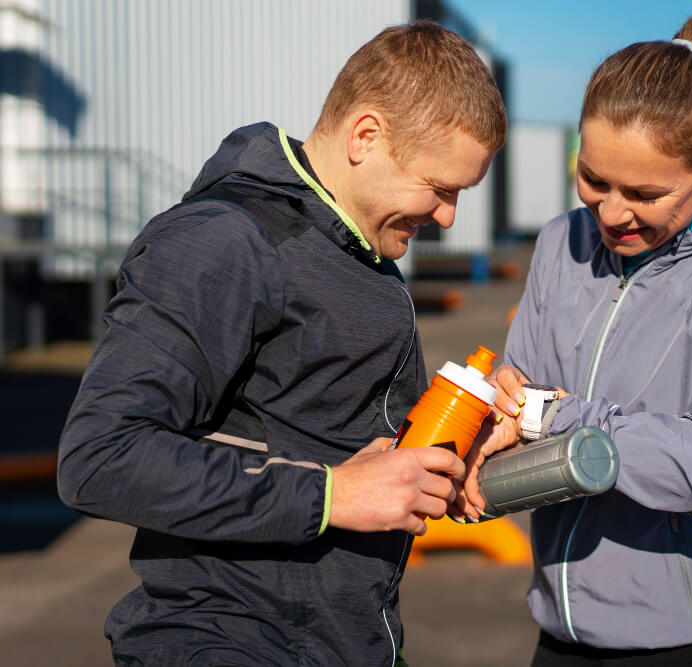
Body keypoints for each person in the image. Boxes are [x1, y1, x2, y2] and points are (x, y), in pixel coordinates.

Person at [56, 21, 505, 666]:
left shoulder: (359, 251)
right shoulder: (222, 243)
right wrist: (334, 495)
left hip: (347, 642)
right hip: (230, 642)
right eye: (440, 189)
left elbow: (349, 445)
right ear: (366, 136)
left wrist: (472, 426)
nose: (447, 217)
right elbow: (101, 457)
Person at [461, 13, 692, 666]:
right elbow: (522, 414)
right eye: (593, 179)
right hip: (563, 636)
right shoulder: (560, 243)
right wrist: (483, 453)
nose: (612, 213)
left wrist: (551, 414)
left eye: (645, 193)